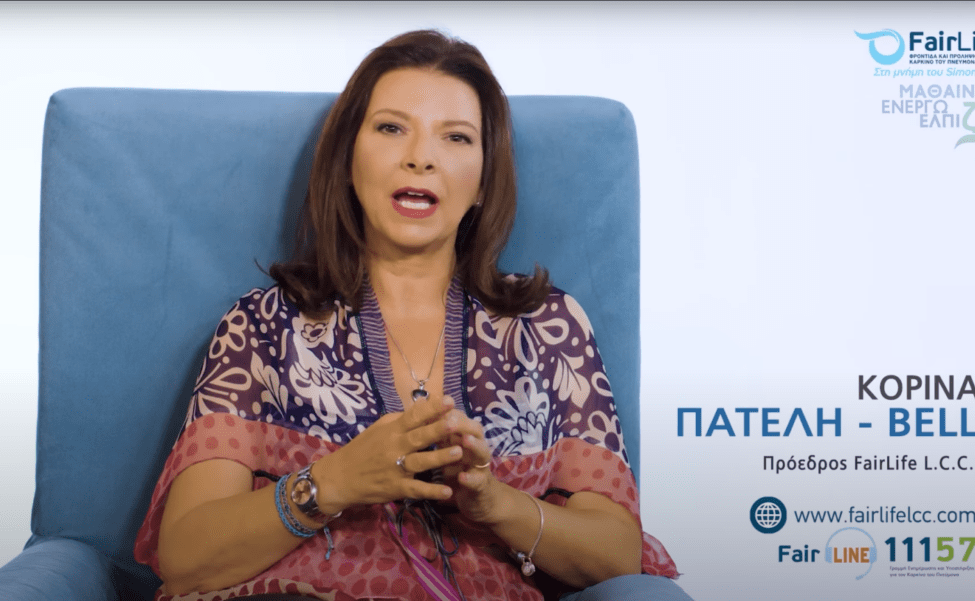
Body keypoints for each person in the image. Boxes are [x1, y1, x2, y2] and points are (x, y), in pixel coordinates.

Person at [134, 29, 691, 601]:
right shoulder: (261, 328)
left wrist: (494, 503)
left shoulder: (549, 328)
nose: (420, 157)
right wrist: (335, 482)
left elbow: (615, 555)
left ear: (483, 180)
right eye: (391, 128)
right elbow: (185, 559)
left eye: (456, 137)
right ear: (347, 160)